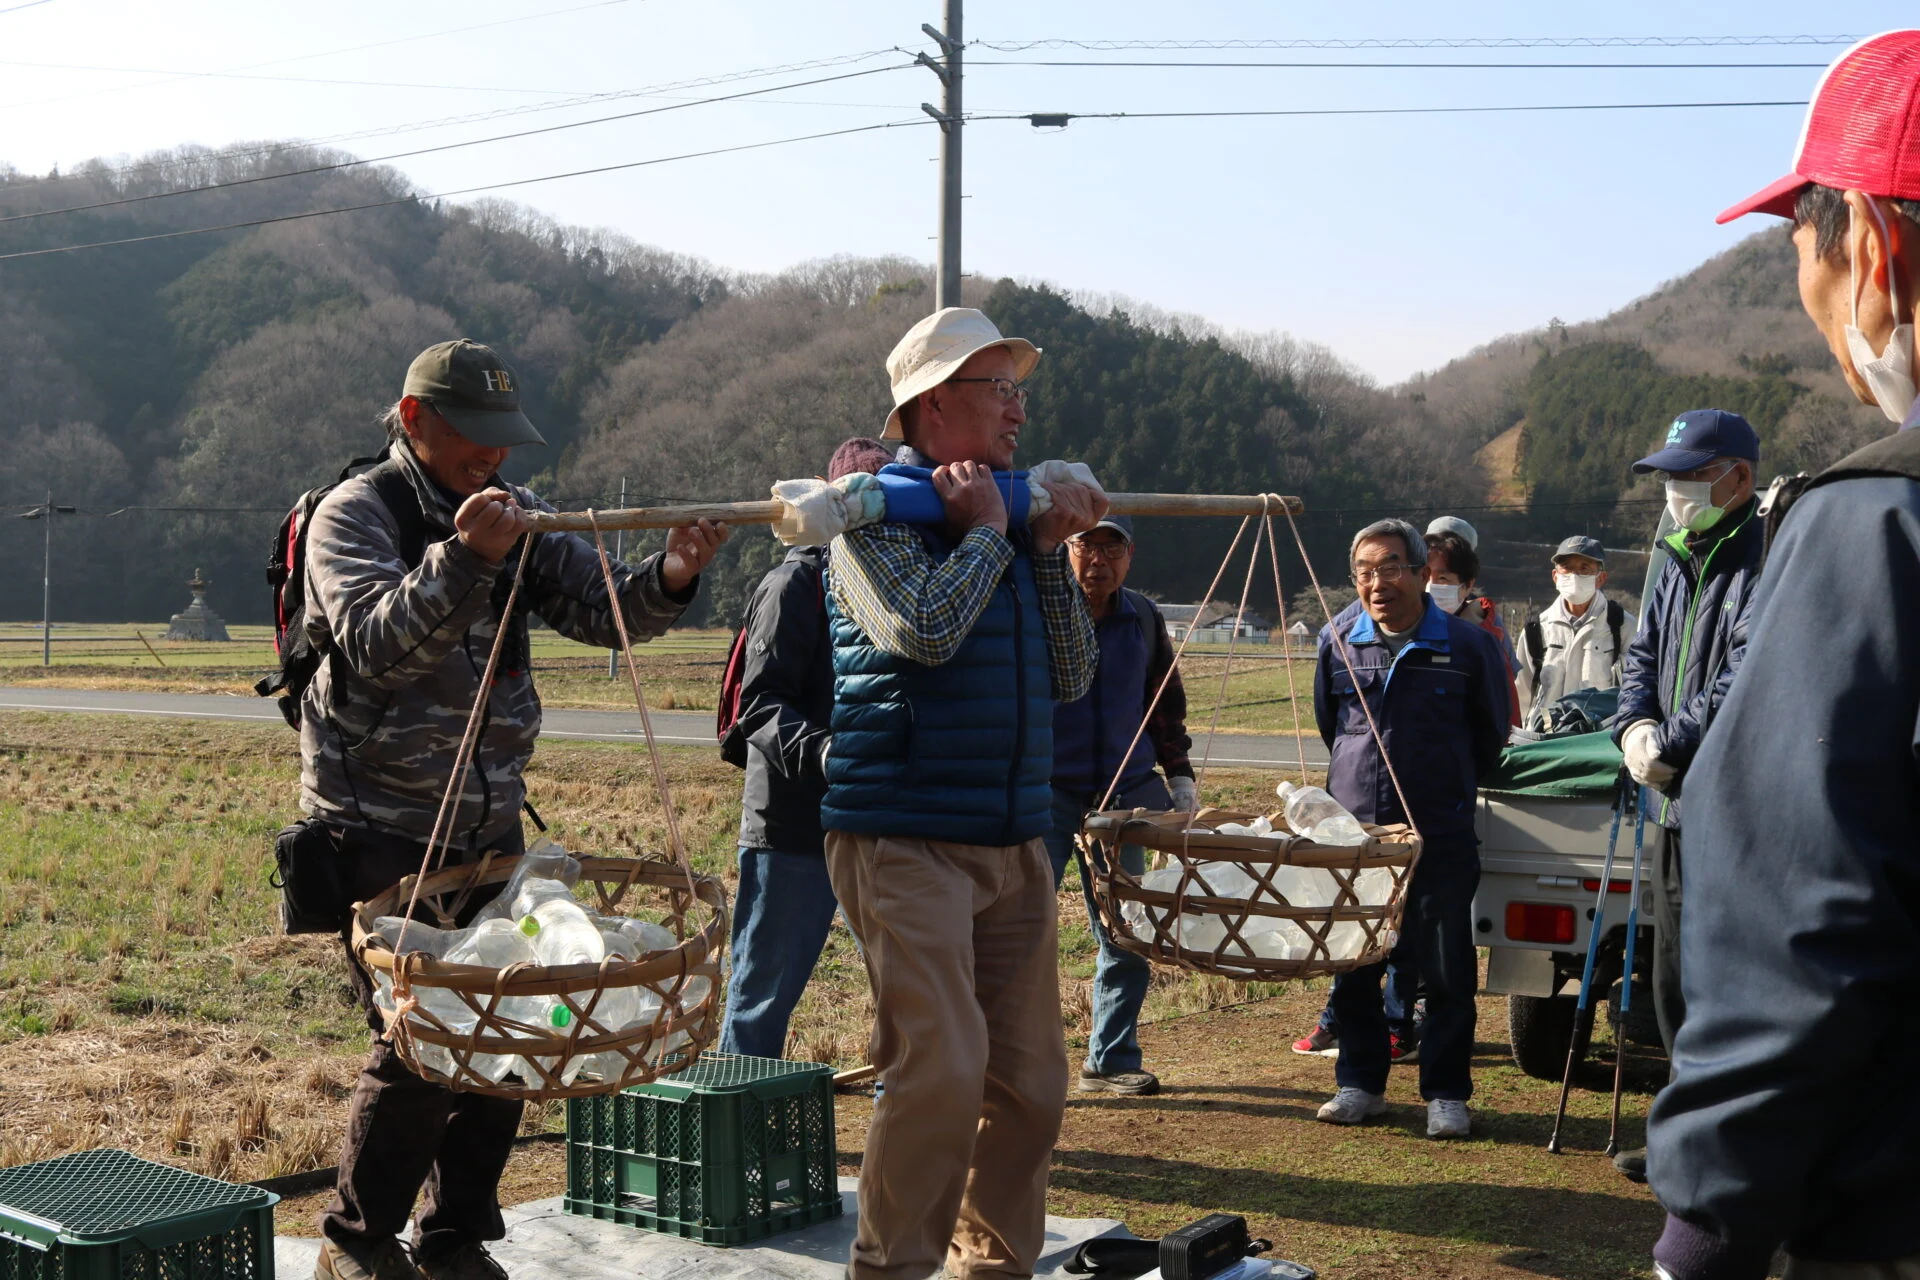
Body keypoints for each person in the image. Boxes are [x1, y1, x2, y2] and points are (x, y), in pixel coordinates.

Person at [304, 339, 728, 1280]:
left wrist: (670, 574)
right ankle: (360, 1244)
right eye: (472, 440)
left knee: (511, 1028)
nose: (493, 461)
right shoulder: (355, 515)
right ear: (415, 422)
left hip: (490, 826)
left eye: (503, 443)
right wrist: (463, 556)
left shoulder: (518, 518)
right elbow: (373, 645)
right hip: (380, 827)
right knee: (420, 1042)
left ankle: (456, 1233)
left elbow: (605, 606)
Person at [1647, 30, 1920, 1280]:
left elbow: (1800, 917)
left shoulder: (1872, 523)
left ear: (1873, 244)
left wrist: (1707, 1220)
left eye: (1805, 256)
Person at [822, 307, 1105, 1280]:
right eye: (1001, 390)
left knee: (1031, 1083)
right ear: (934, 403)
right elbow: (924, 631)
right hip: (902, 828)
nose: (1019, 411)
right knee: (939, 1069)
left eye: (1020, 391)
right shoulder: (865, 516)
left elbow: (1071, 674)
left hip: (1013, 829)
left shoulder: (1014, 520)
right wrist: (989, 533)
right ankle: (891, 1267)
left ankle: (995, 1265)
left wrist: (1043, 549)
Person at [1311, 519, 1508, 1139]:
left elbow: (1491, 735)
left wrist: (1443, 786)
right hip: (1355, 836)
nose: (1377, 582)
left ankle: (1446, 1092)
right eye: (1365, 571)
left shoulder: (1469, 646)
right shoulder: (1337, 639)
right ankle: (1360, 1083)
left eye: (1391, 567)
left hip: (1439, 832)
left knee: (1447, 966)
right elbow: (1330, 725)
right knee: (1355, 961)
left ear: (1423, 573)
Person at [1608, 407, 1765, 1184]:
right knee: (1672, 981)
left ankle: (1732, 1150)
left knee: (1731, 984)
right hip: (1669, 807)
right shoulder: (1670, 555)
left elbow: (1748, 669)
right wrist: (1632, 726)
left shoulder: (1767, 554)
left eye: (1691, 475)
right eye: (1667, 477)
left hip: (1736, 809)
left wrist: (1670, 746)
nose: (1675, 491)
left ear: (1738, 476)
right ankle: (1681, 1141)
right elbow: (1641, 653)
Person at [717, 437, 893, 1059]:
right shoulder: (794, 584)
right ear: (830, 500)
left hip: (877, 818)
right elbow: (758, 706)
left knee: (905, 993)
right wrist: (826, 755)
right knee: (762, 992)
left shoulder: (899, 583)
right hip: (792, 825)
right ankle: (735, 1135)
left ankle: (893, 1136)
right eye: (857, 496)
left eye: (884, 493)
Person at [1042, 514, 1195, 1098]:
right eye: (1086, 546)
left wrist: (1177, 773)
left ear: (1130, 556)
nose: (1098, 560)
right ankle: (1020, 1060)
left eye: (1113, 548)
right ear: (1068, 550)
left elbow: (1164, 701)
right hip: (1048, 790)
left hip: (1126, 795)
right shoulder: (1044, 608)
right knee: (1025, 928)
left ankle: (1110, 1057)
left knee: (1126, 929)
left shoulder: (1144, 617)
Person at [1512, 535, 1636, 733]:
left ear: (1601, 578)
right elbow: (1522, 694)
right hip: (1548, 738)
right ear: (1555, 576)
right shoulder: (1536, 629)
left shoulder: (1622, 626)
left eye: (1584, 568)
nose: (1574, 575)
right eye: (1567, 568)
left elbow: (1634, 689)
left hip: (1599, 739)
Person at [1424, 525, 1523, 726]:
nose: (1430, 586)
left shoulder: (1485, 638)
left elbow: (1502, 717)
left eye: (1443, 578)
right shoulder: (1397, 628)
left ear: (1467, 585)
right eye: (1425, 576)